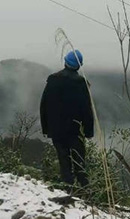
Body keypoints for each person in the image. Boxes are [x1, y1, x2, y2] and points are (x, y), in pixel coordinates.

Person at [40, 50, 93, 191]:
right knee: (79, 162)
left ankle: (69, 189)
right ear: (79, 66)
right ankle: (85, 192)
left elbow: (44, 105)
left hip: (57, 130)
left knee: (64, 162)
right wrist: (88, 131)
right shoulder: (81, 83)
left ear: (65, 62)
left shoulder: (52, 79)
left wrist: (46, 128)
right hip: (76, 131)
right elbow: (87, 110)